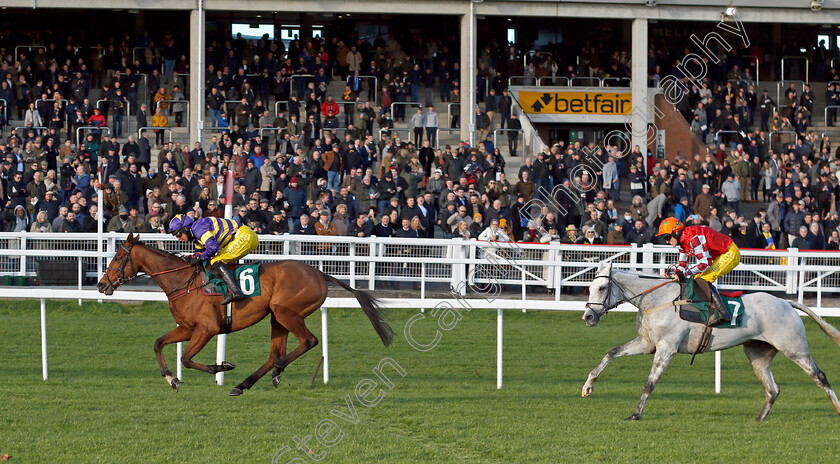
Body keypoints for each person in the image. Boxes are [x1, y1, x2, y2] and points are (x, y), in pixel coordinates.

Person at [656, 217, 741, 325]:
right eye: (664, 238)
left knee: (703, 278)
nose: (667, 241)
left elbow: (705, 263)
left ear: (676, 232)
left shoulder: (693, 238)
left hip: (730, 253)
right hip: (719, 255)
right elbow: (683, 264)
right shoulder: (682, 241)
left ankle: (723, 313)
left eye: (667, 237)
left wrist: (684, 273)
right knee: (697, 278)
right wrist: (674, 274)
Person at [168, 213, 259, 304]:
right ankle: (229, 288)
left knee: (216, 261)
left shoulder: (198, 228)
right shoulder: (196, 235)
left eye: (179, 234)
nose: (179, 238)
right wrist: (192, 258)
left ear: (186, 228)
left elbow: (212, 248)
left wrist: (200, 257)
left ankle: (235, 291)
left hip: (245, 236)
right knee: (215, 261)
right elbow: (198, 253)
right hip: (244, 236)